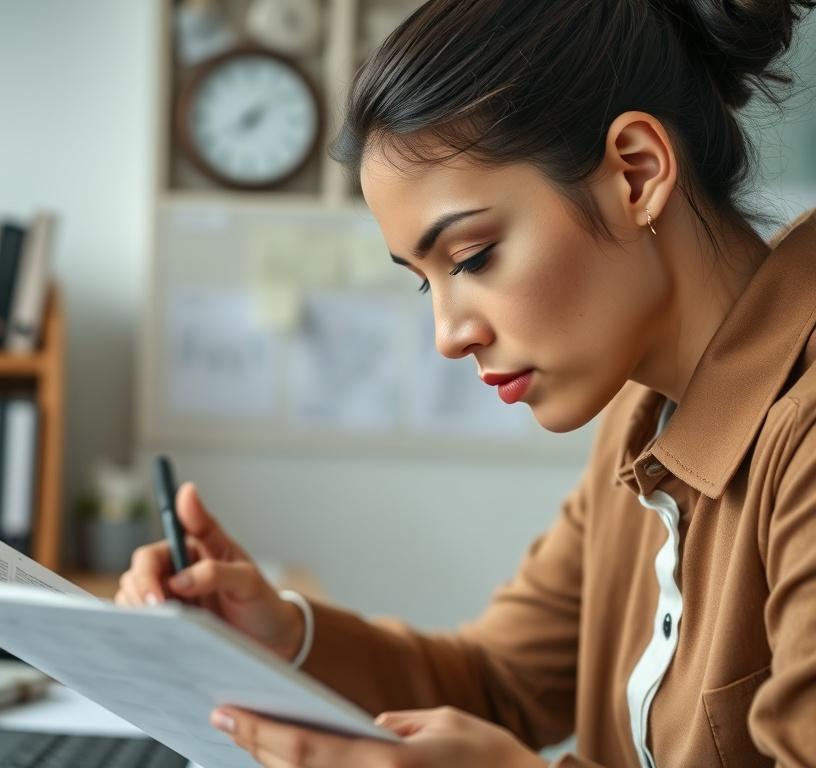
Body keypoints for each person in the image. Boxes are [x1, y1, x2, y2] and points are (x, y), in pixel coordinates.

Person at [117, 0, 816, 764]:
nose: (450, 337)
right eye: (426, 283)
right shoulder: (643, 416)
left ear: (636, 173)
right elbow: (501, 680)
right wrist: (284, 636)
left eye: (474, 256)